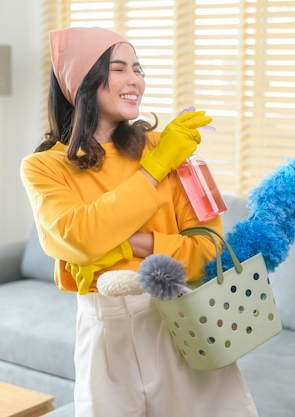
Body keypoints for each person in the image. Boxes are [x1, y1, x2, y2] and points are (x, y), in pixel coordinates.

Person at [20, 26, 259, 417]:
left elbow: (210, 249)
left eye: (139, 67)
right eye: (119, 68)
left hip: (185, 327)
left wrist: (127, 244)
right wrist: (154, 170)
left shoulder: (171, 146)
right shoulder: (44, 168)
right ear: (84, 80)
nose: (136, 80)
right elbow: (79, 237)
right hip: (104, 340)